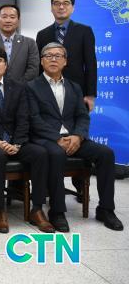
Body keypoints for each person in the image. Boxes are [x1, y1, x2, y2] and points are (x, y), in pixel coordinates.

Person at [26, 42, 123, 232]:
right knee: (56, 154)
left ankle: (106, 209)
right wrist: (57, 138)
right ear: (42, 61)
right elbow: (34, 119)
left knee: (106, 154)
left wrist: (78, 136)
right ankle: (57, 211)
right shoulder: (31, 87)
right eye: (48, 56)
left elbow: (82, 116)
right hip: (47, 139)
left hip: (74, 138)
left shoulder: (74, 87)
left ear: (65, 61)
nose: (53, 59)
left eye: (58, 56)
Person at [0, 46, 53, 233]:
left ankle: (37, 209)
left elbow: (24, 118)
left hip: (16, 141)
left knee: (40, 153)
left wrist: (17, 143)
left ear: (6, 65)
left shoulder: (18, 87)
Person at [36, 0, 97, 112]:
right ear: (51, 8)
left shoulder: (84, 31)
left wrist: (90, 95)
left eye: (66, 3)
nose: (61, 7)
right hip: (48, 91)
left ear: (72, 8)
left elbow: (91, 64)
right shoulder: (42, 34)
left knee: (77, 123)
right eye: (57, 3)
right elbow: (39, 65)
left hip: (77, 91)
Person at [0, 4, 39, 83]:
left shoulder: (30, 43)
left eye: (12, 17)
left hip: (23, 88)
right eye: (4, 17)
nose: (8, 20)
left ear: (18, 21)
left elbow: (33, 69)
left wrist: (18, 87)